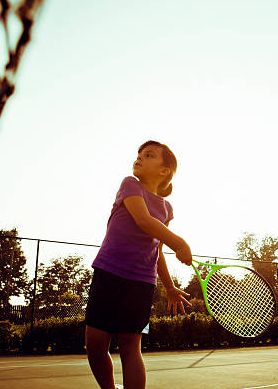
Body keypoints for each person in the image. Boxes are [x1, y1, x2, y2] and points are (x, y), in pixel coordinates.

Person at [85, 140, 193, 389]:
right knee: (96, 345)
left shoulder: (167, 208)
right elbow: (143, 220)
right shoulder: (130, 184)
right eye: (140, 154)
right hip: (108, 272)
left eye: (149, 155)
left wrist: (169, 286)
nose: (140, 157)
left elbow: (157, 249)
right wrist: (180, 243)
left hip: (141, 284)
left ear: (165, 170)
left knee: (130, 346)